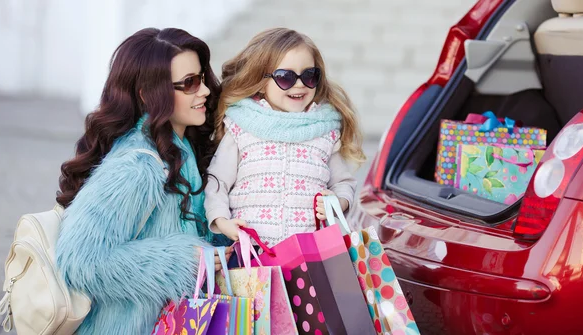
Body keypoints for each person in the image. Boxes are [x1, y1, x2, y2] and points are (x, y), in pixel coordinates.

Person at [55, 27, 231, 334]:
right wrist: (179, 261)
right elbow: (78, 260)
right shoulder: (138, 165)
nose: (203, 90)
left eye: (201, 78)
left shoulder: (181, 149)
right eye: (189, 83)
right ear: (148, 95)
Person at [204, 28, 366, 246]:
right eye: (285, 77)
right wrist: (222, 221)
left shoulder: (324, 131)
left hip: (310, 256)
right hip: (255, 254)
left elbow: (343, 183)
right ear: (260, 82)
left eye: (309, 75)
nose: (299, 84)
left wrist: (337, 202)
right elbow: (218, 182)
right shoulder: (242, 127)